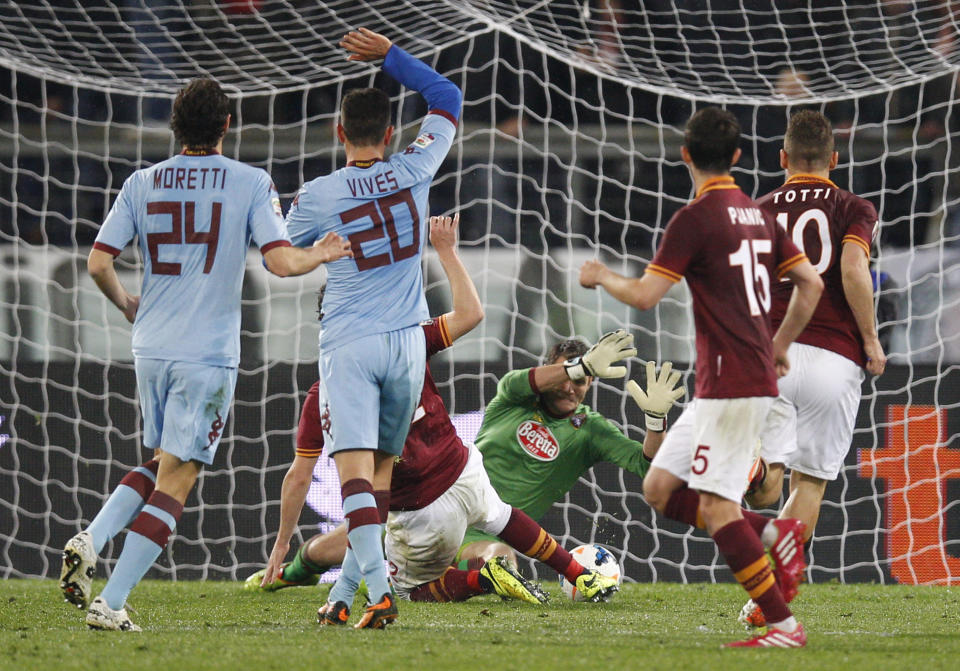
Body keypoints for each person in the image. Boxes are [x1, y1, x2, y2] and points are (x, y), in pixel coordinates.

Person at [58, 77, 352, 631]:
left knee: (164, 462)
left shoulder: (142, 182)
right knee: (180, 478)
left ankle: (92, 539)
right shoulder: (249, 181)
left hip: (150, 346)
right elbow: (281, 263)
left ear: (176, 126)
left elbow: (98, 261)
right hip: (205, 354)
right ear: (227, 126)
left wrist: (126, 303)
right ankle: (111, 601)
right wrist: (322, 250)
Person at [247, 215, 656, 610]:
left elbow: (301, 475)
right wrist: (446, 251)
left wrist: (281, 538)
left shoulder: (327, 391)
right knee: (499, 516)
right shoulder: (408, 341)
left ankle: (480, 579)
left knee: (407, 590)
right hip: (464, 472)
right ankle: (577, 571)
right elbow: (472, 315)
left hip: (418, 508)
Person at [579, 106, 824, 648]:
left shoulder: (695, 219)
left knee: (716, 510)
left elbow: (644, 296)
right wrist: (779, 344)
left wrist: (601, 276)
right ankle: (770, 534)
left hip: (732, 384)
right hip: (731, 383)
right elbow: (810, 282)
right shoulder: (760, 216)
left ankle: (783, 625)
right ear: (737, 156)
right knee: (659, 487)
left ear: (685, 155)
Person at [249, 333, 682, 598]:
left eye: (582, 381)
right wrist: (580, 364)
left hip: (482, 525)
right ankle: (283, 577)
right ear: (550, 370)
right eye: (565, 375)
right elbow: (525, 379)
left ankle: (459, 583)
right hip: (433, 499)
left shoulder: (590, 430)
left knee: (498, 556)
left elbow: (647, 469)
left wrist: (656, 422)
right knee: (331, 549)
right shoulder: (515, 395)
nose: (572, 387)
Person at [281, 27, 462, 629]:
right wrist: (391, 56)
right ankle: (340, 600)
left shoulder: (317, 195)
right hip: (409, 343)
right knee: (380, 477)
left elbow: (280, 257)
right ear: (391, 135)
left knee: (355, 474)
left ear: (339, 134)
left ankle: (379, 594)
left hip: (352, 343)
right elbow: (448, 96)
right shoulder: (416, 165)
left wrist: (317, 256)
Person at [738, 110, 887, 629]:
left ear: (782, 158)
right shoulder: (853, 206)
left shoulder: (756, 210)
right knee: (810, 485)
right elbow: (852, 270)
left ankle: (753, 469)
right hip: (834, 357)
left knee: (768, 486)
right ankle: (769, 597)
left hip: (771, 353)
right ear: (835, 159)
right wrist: (871, 340)